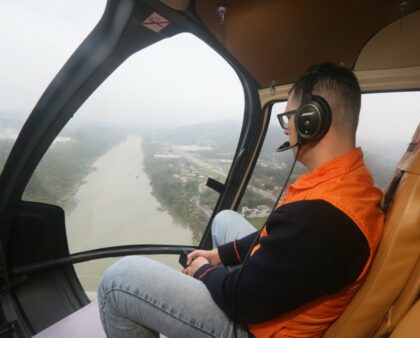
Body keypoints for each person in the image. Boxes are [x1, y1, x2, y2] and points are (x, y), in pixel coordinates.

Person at [98, 62, 385, 338]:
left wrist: (203, 270)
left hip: (255, 328)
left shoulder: (319, 220)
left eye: (289, 117)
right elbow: (281, 237)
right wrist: (217, 256)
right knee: (224, 219)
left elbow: (242, 300)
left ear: (312, 120)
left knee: (119, 280)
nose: (287, 129)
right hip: (278, 291)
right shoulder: (352, 183)